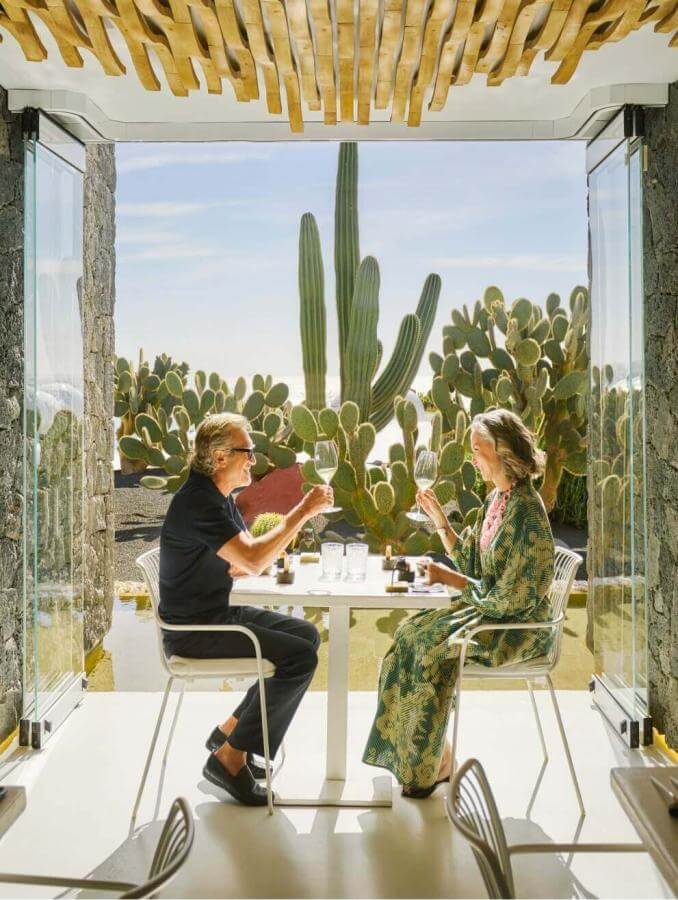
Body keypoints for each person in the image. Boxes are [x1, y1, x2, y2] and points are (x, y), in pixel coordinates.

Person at [363, 408, 555, 798]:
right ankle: (431, 757)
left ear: (504, 453)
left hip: (515, 631)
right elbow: (471, 561)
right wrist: (439, 520)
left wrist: (448, 578)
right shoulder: (499, 500)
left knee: (429, 648)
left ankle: (430, 766)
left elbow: (509, 600)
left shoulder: (526, 515)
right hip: (491, 612)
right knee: (408, 634)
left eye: (477, 449)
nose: (472, 458)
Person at [159, 412, 333, 806]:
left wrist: (256, 556)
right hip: (195, 630)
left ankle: (229, 731)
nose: (254, 459)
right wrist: (303, 511)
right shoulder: (200, 502)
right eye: (247, 452)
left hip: (212, 614)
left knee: (305, 635)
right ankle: (230, 759)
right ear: (220, 458)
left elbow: (241, 562)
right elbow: (253, 561)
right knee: (299, 658)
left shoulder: (218, 499)